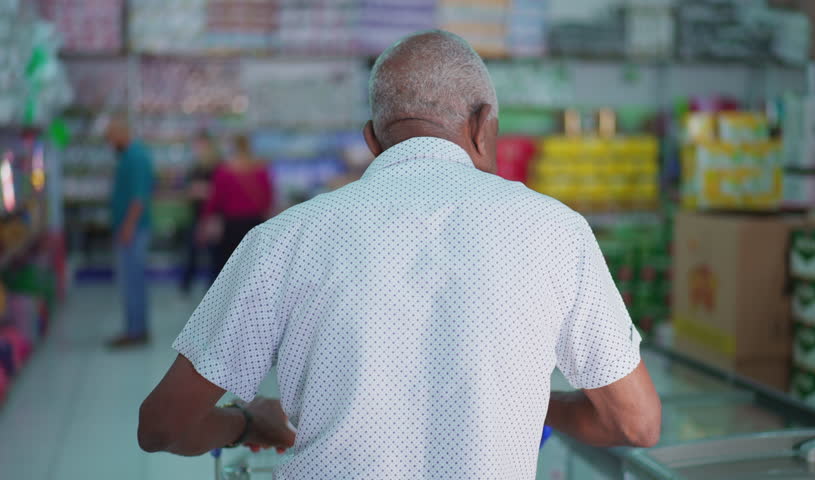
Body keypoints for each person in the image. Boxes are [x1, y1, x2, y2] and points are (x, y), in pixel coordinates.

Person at [138, 30, 661, 478]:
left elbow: (163, 425)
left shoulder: (286, 238)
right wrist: (521, 403)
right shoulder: (557, 232)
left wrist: (248, 424)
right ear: (483, 126)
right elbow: (635, 423)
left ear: (372, 139)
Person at [106, 116, 155, 349]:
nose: (109, 144)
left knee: (131, 282)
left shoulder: (135, 157)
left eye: (110, 138)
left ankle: (135, 331)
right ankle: (138, 328)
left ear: (121, 134)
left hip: (133, 230)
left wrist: (127, 227)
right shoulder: (131, 155)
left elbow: (138, 198)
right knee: (133, 280)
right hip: (132, 229)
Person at [197, 134, 273, 282]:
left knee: (227, 268)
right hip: (255, 224)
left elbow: (215, 201)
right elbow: (268, 199)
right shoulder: (261, 169)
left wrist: (204, 222)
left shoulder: (225, 171)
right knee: (251, 268)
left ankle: (227, 301)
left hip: (231, 225)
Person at [181, 130, 221, 295]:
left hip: (213, 216)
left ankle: (214, 287)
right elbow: (189, 190)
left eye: (200, 145)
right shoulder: (195, 167)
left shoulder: (217, 166)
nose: (197, 149)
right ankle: (186, 284)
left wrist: (202, 190)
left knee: (214, 254)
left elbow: (218, 191)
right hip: (197, 215)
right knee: (193, 251)